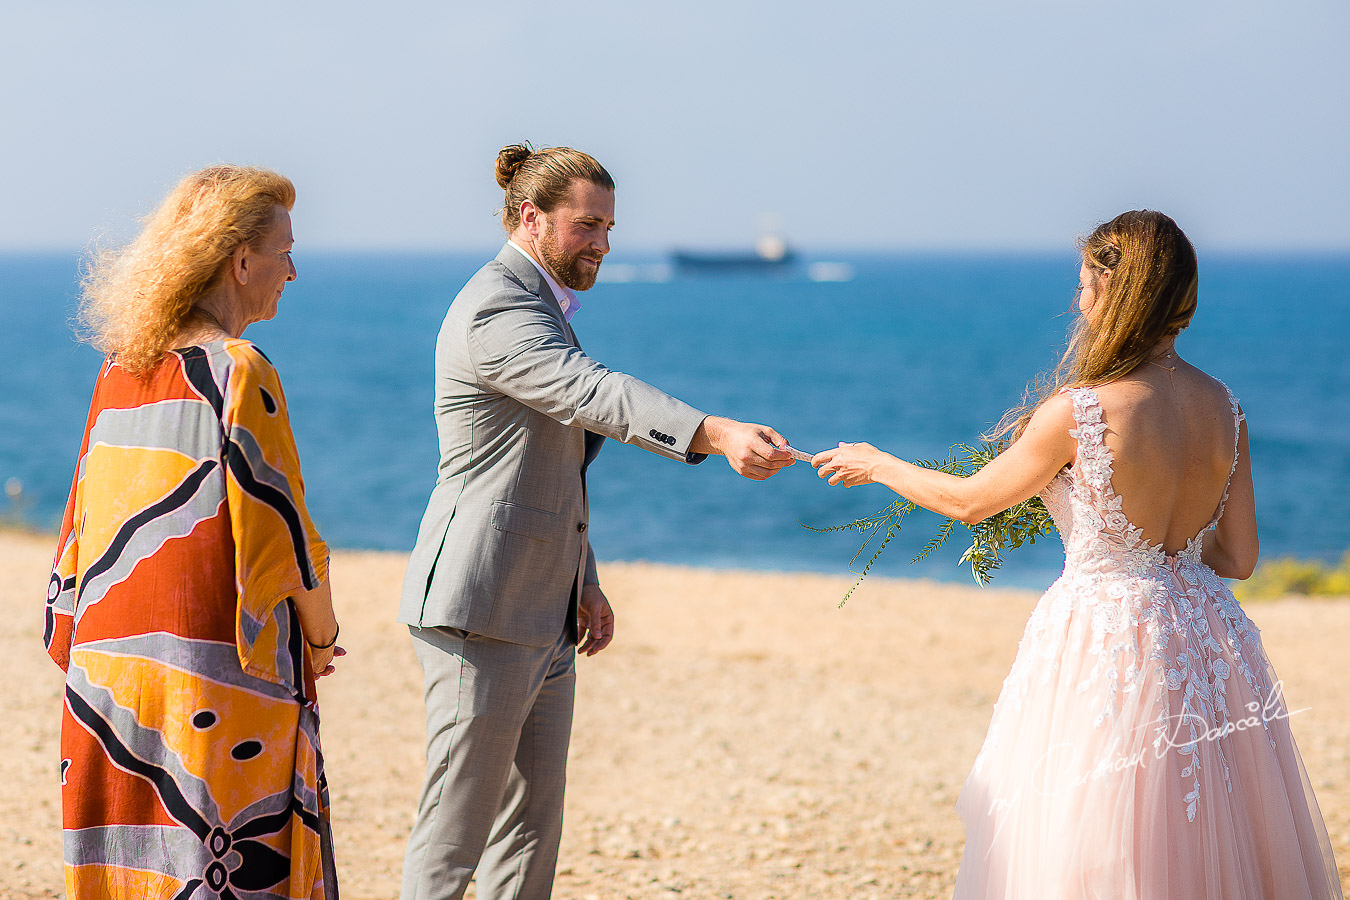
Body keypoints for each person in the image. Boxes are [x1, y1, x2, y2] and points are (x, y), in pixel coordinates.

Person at [814, 211, 1342, 897]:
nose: (1078, 300)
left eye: (1085, 282)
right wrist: (1167, 562)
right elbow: (1240, 558)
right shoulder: (1225, 407)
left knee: (1095, 830)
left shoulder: (1082, 410)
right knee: (1213, 825)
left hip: (1108, 637)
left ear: (1114, 288)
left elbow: (974, 502)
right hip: (1213, 640)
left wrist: (876, 462)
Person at [398, 143, 795, 900]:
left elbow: (548, 469)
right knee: (453, 837)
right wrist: (711, 431)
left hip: (543, 607)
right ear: (531, 217)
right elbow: (592, 393)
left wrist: (586, 580)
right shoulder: (496, 307)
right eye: (587, 227)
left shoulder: (541, 306)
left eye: (609, 228)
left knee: (530, 829)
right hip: (478, 608)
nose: (604, 246)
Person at [45, 166, 342, 899]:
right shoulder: (240, 371)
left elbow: (79, 537)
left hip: (109, 684)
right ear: (241, 261)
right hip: (210, 682)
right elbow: (284, 539)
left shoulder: (120, 369)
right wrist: (322, 637)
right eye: (284, 252)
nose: (293, 270)